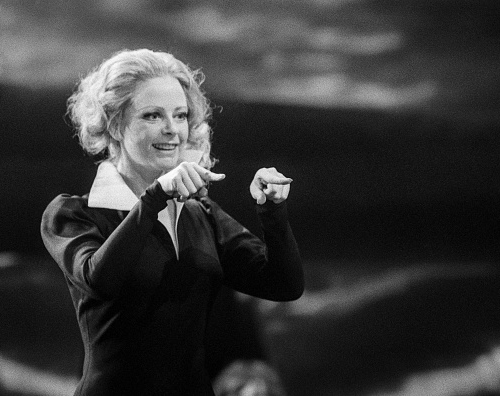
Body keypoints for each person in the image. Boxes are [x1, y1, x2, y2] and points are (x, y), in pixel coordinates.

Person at [40, 48, 304, 395]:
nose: (172, 130)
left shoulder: (200, 214)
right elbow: (101, 280)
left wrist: (271, 210)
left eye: (180, 116)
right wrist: (154, 198)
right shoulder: (73, 213)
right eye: (152, 116)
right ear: (115, 125)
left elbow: (284, 285)